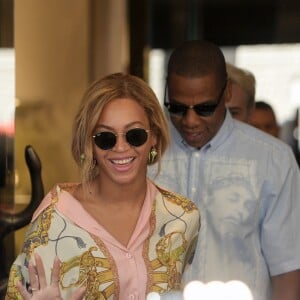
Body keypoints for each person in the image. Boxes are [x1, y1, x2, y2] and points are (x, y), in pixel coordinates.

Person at [5, 73, 200, 299]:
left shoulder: (183, 217)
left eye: (134, 135)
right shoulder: (52, 223)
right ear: (89, 143)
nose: (120, 147)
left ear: (154, 136)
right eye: (105, 138)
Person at [148, 40, 300, 300]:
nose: (190, 121)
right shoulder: (144, 149)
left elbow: (286, 269)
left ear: (227, 92)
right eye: (177, 108)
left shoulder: (272, 160)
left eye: (205, 108)